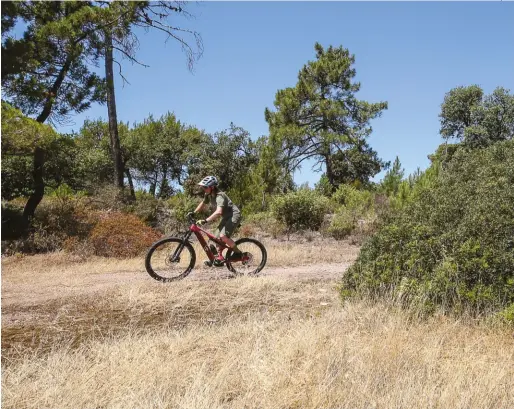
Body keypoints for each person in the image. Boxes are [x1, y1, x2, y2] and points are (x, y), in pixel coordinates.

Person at [193, 175, 243, 266]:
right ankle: (218, 259)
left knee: (223, 236)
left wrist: (205, 220)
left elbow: (219, 211)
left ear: (212, 187)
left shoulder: (220, 196)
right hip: (226, 217)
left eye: (205, 187)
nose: (204, 189)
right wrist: (194, 212)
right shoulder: (208, 194)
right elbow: (203, 203)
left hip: (234, 215)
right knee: (215, 239)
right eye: (203, 187)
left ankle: (238, 253)